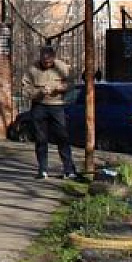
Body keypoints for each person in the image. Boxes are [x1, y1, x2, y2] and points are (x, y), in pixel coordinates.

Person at [22, 46, 78, 179]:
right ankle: (42, 169)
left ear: (53, 58)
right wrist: (39, 92)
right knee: (40, 138)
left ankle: (68, 170)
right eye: (44, 61)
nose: (46, 63)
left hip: (57, 106)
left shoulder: (63, 68)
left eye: (49, 61)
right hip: (39, 105)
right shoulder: (32, 70)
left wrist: (61, 88)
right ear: (41, 57)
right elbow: (25, 89)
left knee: (62, 137)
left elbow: (71, 84)